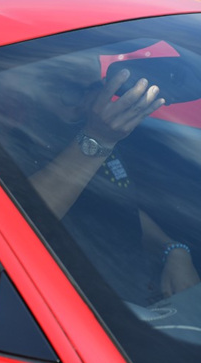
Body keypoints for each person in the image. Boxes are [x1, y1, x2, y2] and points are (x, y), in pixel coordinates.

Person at [21, 58, 200, 305]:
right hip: (80, 311)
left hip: (139, 295)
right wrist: (98, 139)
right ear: (26, 86)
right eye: (69, 90)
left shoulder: (87, 128)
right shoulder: (13, 147)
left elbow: (118, 205)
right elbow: (22, 221)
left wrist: (173, 250)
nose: (88, 102)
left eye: (96, 87)